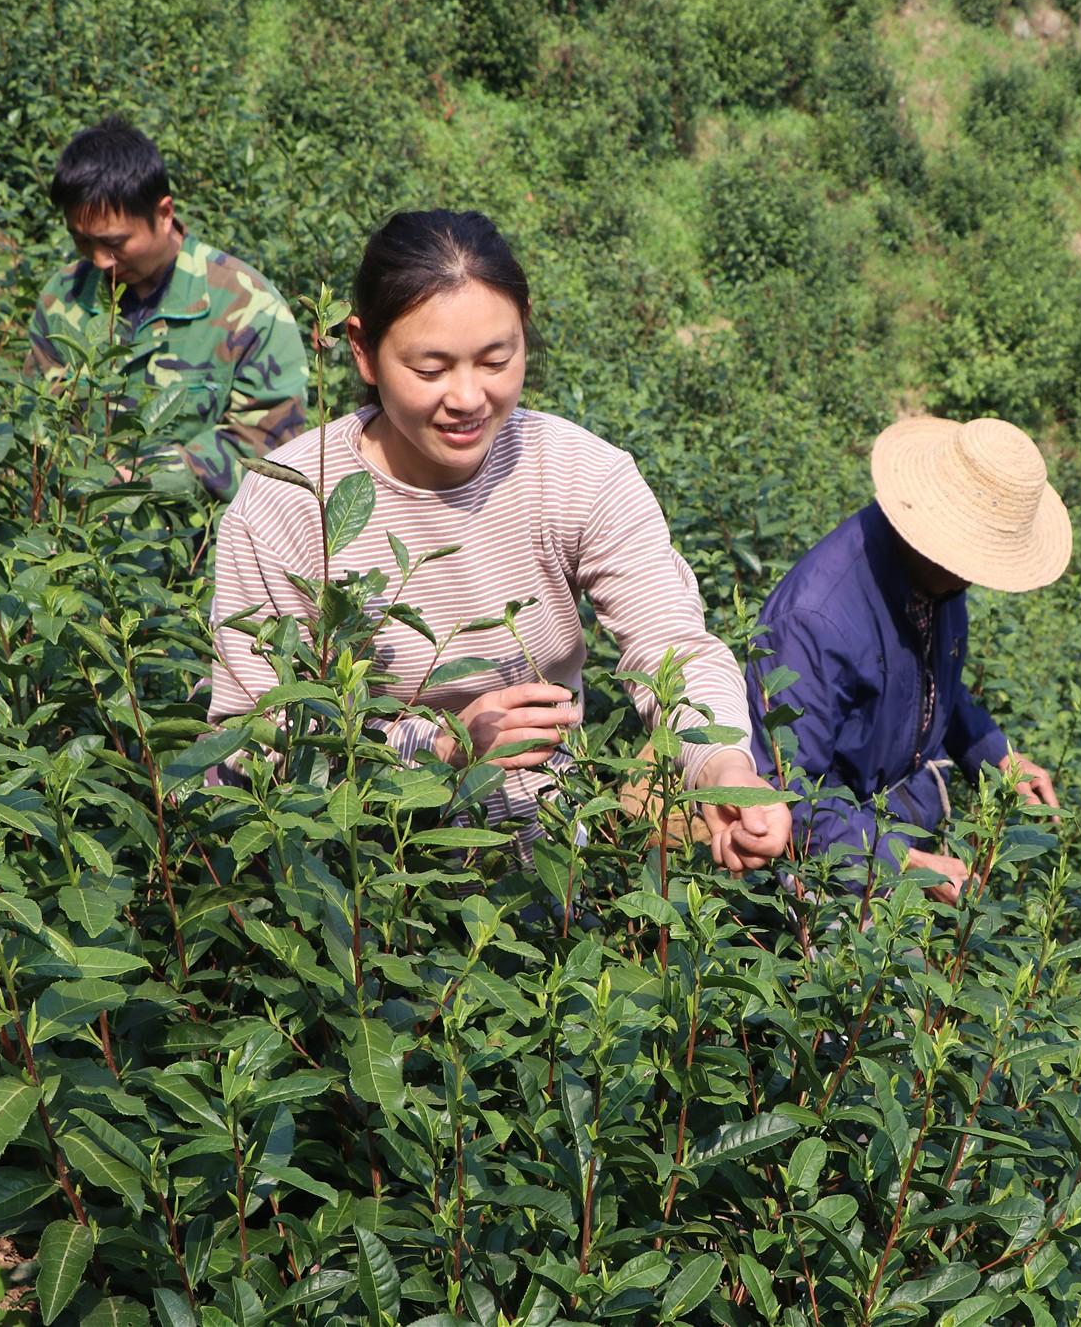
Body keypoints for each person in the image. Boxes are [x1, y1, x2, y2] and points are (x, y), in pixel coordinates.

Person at [206, 209, 791, 872]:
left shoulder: (579, 474)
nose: (468, 398)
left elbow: (673, 647)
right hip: (352, 870)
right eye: (430, 369)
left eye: (495, 359)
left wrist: (722, 763)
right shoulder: (288, 500)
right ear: (363, 349)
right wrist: (444, 747)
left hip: (542, 855)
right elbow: (250, 731)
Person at [745, 415, 1069, 903]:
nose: (976, 576)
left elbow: (931, 683)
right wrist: (903, 860)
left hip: (886, 810)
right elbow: (785, 795)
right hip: (822, 855)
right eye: (976, 559)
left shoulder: (936, 581)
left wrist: (994, 753)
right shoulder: (815, 621)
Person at [28, 116, 309, 501]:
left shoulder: (250, 307)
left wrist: (143, 479)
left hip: (199, 547)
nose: (100, 262)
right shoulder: (62, 299)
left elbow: (268, 445)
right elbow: (38, 423)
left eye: (114, 243)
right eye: (81, 241)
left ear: (163, 214)